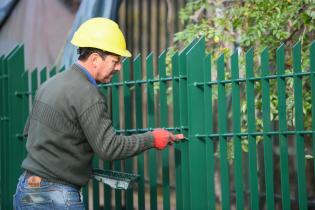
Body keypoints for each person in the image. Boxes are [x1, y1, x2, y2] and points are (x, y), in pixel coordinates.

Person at [13, 18, 180, 209]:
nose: (118, 67)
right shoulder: (87, 93)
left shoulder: (49, 85)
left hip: (27, 189)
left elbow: (30, 133)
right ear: (94, 59)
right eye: (115, 61)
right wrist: (152, 138)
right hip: (56, 196)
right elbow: (109, 148)